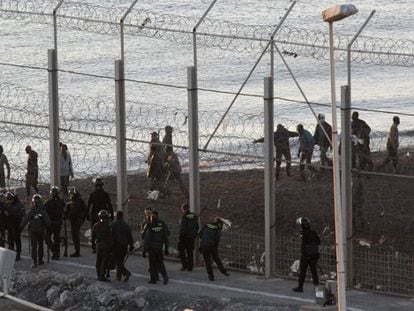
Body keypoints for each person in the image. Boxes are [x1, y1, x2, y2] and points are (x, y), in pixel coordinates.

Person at [20, 194, 51, 268]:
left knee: (34, 246)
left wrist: (20, 228)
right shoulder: (43, 211)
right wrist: (48, 227)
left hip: (33, 231)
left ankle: (34, 261)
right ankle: (40, 260)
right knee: (40, 245)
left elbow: (25, 220)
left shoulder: (31, 211)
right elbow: (48, 222)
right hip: (41, 231)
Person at [292, 217, 320, 293]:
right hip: (314, 255)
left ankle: (300, 286)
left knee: (303, 271)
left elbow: (303, 246)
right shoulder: (313, 232)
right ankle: (316, 286)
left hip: (306, 256)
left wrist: (304, 253)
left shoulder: (303, 234)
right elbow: (318, 241)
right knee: (314, 271)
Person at [199, 217, 230, 281]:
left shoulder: (206, 225)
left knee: (207, 262)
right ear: (219, 224)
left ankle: (211, 276)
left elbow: (200, 234)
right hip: (212, 246)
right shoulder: (217, 228)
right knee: (216, 259)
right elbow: (217, 239)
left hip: (204, 245)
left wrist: (205, 240)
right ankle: (224, 271)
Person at [87, 178, 113, 253]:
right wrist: (111, 214)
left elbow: (88, 205)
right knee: (105, 231)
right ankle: (104, 246)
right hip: (104, 215)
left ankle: (94, 247)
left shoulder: (92, 194)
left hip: (95, 215)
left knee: (94, 232)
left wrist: (87, 214)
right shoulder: (105, 194)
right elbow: (109, 205)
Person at [143, 211, 169, 285]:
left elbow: (147, 239)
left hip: (152, 248)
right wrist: (166, 248)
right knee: (160, 263)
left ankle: (153, 279)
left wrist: (145, 250)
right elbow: (166, 237)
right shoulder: (161, 225)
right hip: (159, 247)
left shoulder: (150, 226)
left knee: (152, 264)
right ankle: (165, 277)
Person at [110, 211, 134, 282]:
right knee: (120, 261)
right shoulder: (126, 225)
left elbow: (111, 236)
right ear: (122, 216)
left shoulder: (113, 225)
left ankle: (126, 273)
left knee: (118, 262)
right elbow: (129, 236)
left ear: (116, 216)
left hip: (116, 246)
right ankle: (118, 277)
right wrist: (131, 245)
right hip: (124, 246)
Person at [44, 186, 65, 260]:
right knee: (52, 238)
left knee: (52, 238)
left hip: (54, 223)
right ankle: (56, 252)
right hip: (53, 223)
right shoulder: (59, 202)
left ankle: (55, 252)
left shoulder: (50, 202)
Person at [91, 210, 113, 282]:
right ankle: (102, 275)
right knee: (104, 260)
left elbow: (93, 236)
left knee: (98, 260)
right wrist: (111, 247)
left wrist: (93, 246)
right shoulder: (107, 226)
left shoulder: (96, 225)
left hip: (98, 244)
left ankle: (98, 273)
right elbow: (109, 237)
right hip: (105, 244)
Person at [66, 186, 87, 257]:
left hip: (76, 220)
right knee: (75, 236)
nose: (70, 195)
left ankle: (77, 251)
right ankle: (77, 250)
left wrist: (67, 216)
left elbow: (73, 213)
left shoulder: (75, 202)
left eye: (71, 194)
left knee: (75, 236)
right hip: (79, 220)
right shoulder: (78, 201)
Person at [178, 203, 199, 271]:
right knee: (190, 252)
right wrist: (194, 234)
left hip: (184, 237)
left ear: (183, 209)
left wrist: (180, 237)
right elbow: (197, 226)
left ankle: (184, 265)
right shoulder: (193, 215)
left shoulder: (184, 216)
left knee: (181, 251)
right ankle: (190, 267)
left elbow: (183, 228)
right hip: (192, 237)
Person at [5, 191, 25, 261]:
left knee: (17, 240)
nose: (10, 200)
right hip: (9, 225)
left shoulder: (19, 204)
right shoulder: (8, 204)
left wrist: (13, 215)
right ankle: (11, 253)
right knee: (10, 240)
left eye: (11, 198)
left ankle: (18, 254)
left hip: (16, 224)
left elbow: (22, 213)